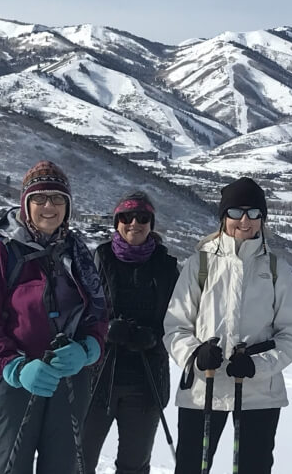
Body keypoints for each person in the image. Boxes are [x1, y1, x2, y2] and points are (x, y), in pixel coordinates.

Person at [0, 160, 107, 474]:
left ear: (68, 206)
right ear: (25, 203)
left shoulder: (77, 252)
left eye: (58, 198)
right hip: (16, 379)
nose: (49, 206)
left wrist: (89, 348)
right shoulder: (1, 252)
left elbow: (98, 312)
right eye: (40, 198)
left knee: (62, 467)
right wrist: (14, 367)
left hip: (69, 377)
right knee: (13, 466)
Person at [163, 176, 292, 474]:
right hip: (204, 388)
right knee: (191, 467)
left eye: (254, 213)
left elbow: (291, 335)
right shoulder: (200, 263)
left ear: (262, 218)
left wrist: (259, 365)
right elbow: (176, 326)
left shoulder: (275, 268)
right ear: (223, 216)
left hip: (258, 393)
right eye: (236, 212)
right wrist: (194, 354)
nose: (245, 221)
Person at [84, 191, 180, 473]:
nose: (133, 223)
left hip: (146, 380)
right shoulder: (97, 259)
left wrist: (154, 337)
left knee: (134, 466)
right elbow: (81, 311)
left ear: (151, 223)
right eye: (126, 217)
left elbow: (180, 320)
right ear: (116, 222)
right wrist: (105, 330)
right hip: (98, 378)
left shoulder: (166, 267)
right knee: (79, 460)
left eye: (142, 217)